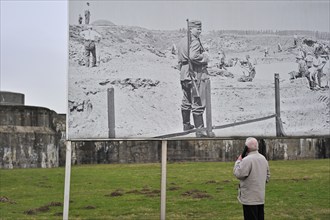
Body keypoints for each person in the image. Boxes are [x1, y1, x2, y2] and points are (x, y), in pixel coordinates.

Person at [176, 20, 211, 137]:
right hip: (195, 74)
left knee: (186, 100)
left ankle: (186, 125)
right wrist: (205, 57)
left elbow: (181, 58)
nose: (200, 31)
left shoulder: (181, 41)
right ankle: (200, 132)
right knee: (198, 103)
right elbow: (193, 56)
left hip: (184, 74)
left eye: (200, 29)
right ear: (191, 29)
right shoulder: (194, 41)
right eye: (198, 29)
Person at [233, 137, 270, 220]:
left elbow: (238, 174)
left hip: (249, 199)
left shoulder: (247, 160)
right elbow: (268, 177)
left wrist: (238, 161)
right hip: (260, 197)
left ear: (247, 148)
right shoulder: (263, 159)